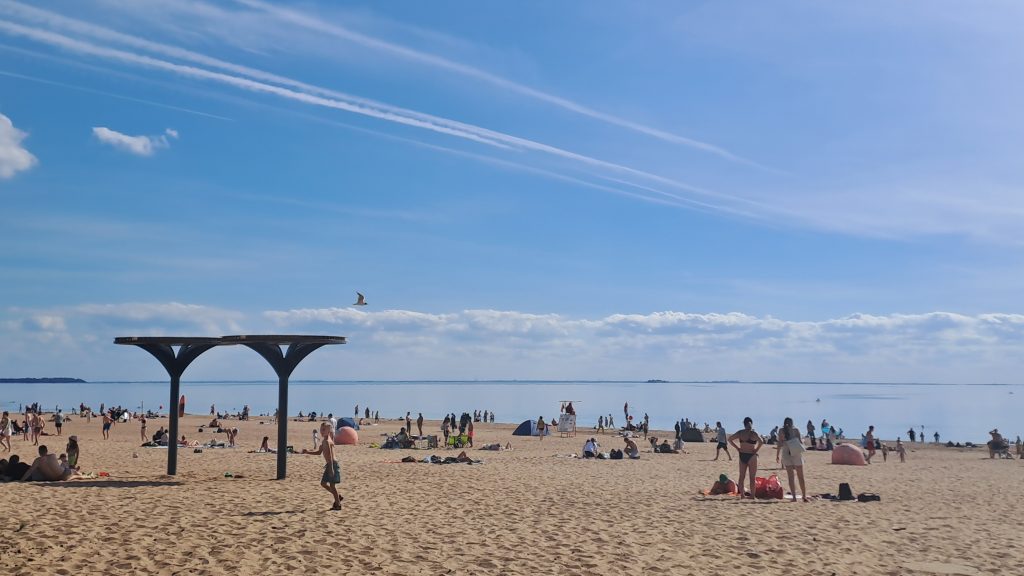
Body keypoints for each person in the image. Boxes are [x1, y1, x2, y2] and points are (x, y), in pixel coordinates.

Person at [302, 422, 343, 510]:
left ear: (328, 431)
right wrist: (307, 452)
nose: (321, 431)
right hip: (329, 465)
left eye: (324, 429)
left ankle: (338, 504)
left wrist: (331, 468)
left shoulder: (328, 441)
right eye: (321, 429)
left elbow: (331, 456)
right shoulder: (324, 441)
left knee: (332, 485)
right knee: (323, 483)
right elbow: (319, 452)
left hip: (332, 464)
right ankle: (337, 496)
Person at [774, 417, 808, 502]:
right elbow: (800, 442)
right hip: (796, 452)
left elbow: (779, 443)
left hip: (786, 453)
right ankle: (804, 496)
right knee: (801, 476)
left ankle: (794, 497)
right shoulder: (796, 430)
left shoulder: (781, 431)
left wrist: (777, 455)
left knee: (791, 477)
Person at [728, 417, 762, 499]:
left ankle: (742, 495)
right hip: (751, 456)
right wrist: (756, 450)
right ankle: (752, 496)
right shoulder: (754, 433)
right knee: (752, 477)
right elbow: (761, 442)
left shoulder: (740, 433)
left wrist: (737, 448)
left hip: (742, 454)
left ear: (744, 424)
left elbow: (730, 439)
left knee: (742, 476)